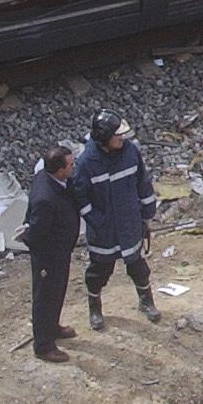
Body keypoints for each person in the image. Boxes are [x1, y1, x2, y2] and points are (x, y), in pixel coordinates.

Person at [72, 109, 160, 329]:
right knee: (99, 270)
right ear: (103, 138)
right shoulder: (86, 163)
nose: (122, 138)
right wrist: (96, 221)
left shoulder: (130, 152)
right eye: (117, 135)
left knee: (137, 265)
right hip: (104, 230)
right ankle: (95, 307)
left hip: (130, 223)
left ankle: (146, 301)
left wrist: (147, 212)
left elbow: (142, 182)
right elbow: (80, 198)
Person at [20, 144, 80, 362]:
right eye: (71, 165)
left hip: (60, 252)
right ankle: (44, 345)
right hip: (48, 256)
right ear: (60, 170)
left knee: (57, 291)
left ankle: (53, 327)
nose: (74, 167)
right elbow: (35, 232)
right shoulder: (46, 198)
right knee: (45, 297)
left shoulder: (54, 180)